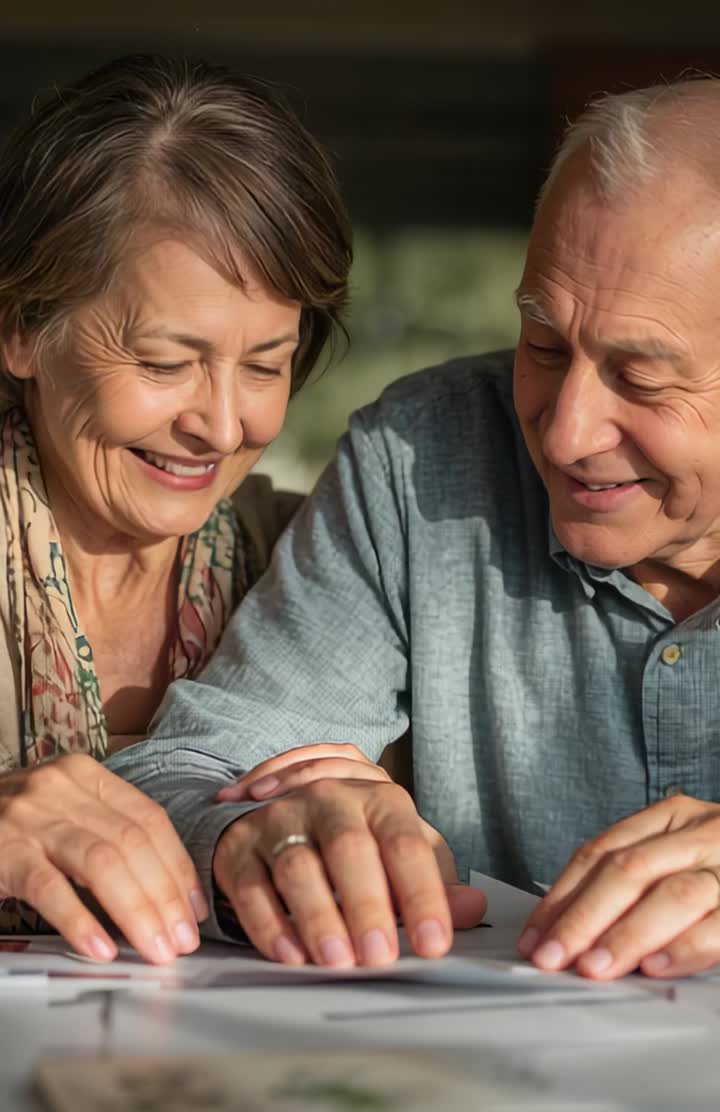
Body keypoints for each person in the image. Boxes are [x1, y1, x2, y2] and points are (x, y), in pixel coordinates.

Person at [109, 76, 720, 981]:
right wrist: (250, 829)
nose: (561, 432)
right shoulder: (423, 456)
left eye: (641, 378)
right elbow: (199, 761)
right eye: (544, 346)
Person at [0, 53, 353, 964]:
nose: (223, 425)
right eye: (163, 363)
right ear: (21, 327)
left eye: (267, 365)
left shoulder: (321, 564)